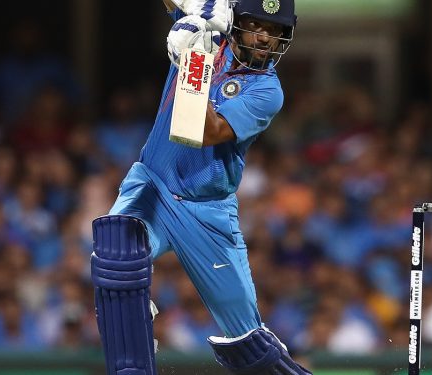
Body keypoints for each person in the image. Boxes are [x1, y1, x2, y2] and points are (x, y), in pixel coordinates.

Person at [90, 0, 311, 374]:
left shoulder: (267, 90)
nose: (265, 38)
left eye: (275, 32)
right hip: (153, 184)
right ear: (237, 20)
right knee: (116, 252)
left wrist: (193, 61)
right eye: (257, 25)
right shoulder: (212, 30)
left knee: (248, 343)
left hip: (206, 211)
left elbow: (200, 131)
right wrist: (201, 8)